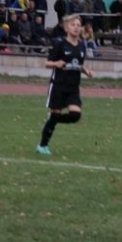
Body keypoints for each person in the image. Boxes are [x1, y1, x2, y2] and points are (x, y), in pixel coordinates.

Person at [36, 14, 93, 155]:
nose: (76, 28)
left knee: (75, 115)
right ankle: (42, 146)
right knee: (56, 114)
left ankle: (52, 118)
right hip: (58, 86)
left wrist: (85, 70)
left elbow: (78, 64)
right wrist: (56, 63)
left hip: (73, 87)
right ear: (67, 28)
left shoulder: (81, 46)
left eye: (78, 25)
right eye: (73, 25)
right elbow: (47, 63)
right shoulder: (60, 44)